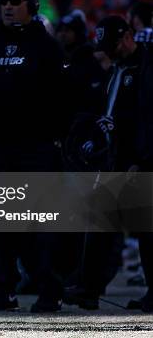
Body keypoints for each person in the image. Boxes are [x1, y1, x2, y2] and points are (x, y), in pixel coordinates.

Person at [0, 0, 66, 313]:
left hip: (37, 146)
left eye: (15, 2)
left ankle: (48, 289)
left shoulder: (47, 47)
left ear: (32, 6)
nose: (9, 7)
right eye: (4, 2)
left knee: (40, 224)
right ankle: (1, 289)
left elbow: (60, 98)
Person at [65, 16, 153, 312]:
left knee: (145, 230)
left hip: (137, 162)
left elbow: (147, 119)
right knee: (102, 223)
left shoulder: (145, 68)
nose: (109, 52)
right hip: (115, 159)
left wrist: (143, 160)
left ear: (128, 36)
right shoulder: (118, 68)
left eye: (112, 45)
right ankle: (89, 289)